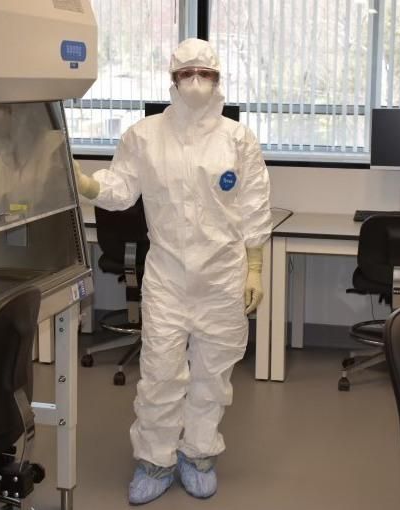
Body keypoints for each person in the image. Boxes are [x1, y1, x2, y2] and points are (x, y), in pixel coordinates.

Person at [74, 38, 271, 505]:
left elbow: (253, 203)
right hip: (167, 276)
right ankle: (155, 460)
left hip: (223, 276)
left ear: (218, 80)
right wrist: (85, 183)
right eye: (189, 73)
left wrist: (256, 267)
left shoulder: (237, 139)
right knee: (160, 373)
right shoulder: (143, 136)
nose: (198, 82)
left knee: (213, 374)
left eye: (206, 74)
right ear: (173, 79)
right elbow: (120, 190)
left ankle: (199, 454)